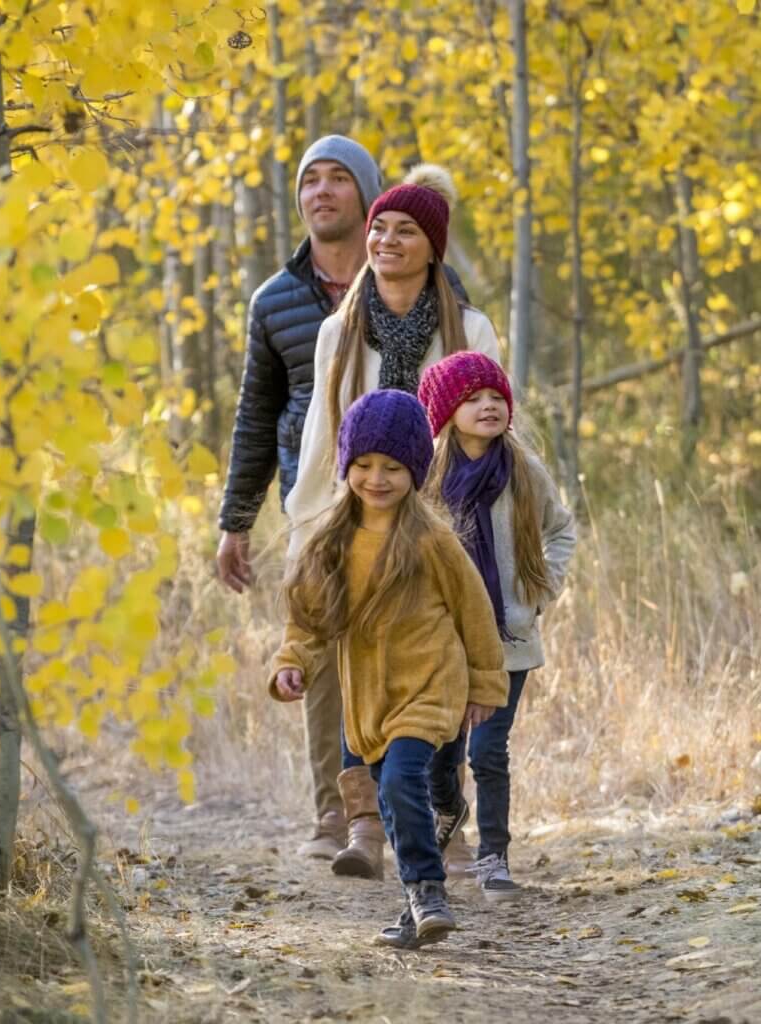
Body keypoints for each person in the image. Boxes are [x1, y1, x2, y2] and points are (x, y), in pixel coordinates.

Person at [285, 164, 501, 877]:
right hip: (358, 521)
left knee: (438, 670)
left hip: (442, 530)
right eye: (378, 227)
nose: (384, 240)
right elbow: (322, 440)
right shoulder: (336, 332)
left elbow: (488, 435)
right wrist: (305, 528)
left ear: (433, 247)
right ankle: (362, 827)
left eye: (405, 230)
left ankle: (448, 825)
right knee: (357, 676)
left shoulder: (467, 328)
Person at [269, 390, 508, 947]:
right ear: (347, 465)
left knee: (402, 782)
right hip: (369, 702)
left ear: (415, 472)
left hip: (430, 684)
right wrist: (292, 662)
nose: (377, 478)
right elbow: (308, 621)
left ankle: (427, 892)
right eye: (364, 465)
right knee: (397, 800)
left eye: (393, 467)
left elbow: (476, 614)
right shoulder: (330, 542)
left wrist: (485, 684)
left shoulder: (433, 540)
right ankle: (413, 904)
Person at [217, 135, 384, 859]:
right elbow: (255, 413)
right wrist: (235, 522)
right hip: (312, 501)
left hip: (407, 497)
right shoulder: (275, 299)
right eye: (309, 181)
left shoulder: (412, 275)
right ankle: (336, 815)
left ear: (367, 193)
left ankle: (438, 819)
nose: (320, 192)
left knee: (419, 650)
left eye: (337, 179)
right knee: (318, 653)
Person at [417, 352, 576, 898]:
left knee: (488, 751)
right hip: (446, 642)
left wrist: (537, 594)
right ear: (445, 411)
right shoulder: (426, 476)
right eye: (473, 398)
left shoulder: (523, 469)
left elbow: (562, 531)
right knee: (442, 752)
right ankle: (447, 807)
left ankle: (494, 857)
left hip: (508, 637)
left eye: (496, 397)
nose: (488, 406)